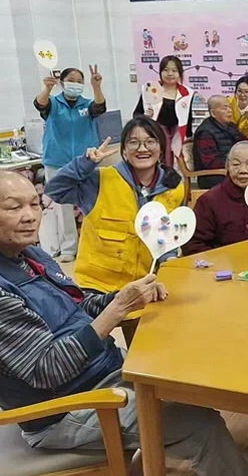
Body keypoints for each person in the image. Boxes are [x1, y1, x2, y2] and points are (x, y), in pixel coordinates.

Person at [0, 171, 248, 476]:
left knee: (183, 377)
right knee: (200, 425)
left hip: (97, 376)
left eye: (35, 204)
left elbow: (76, 304)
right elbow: (47, 370)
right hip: (64, 409)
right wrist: (116, 309)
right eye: (14, 207)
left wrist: (124, 297)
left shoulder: (26, 253)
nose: (29, 216)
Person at [46, 117, 184, 343]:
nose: (142, 149)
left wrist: (168, 264)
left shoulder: (173, 186)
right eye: (134, 142)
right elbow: (54, 190)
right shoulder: (100, 179)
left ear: (161, 148)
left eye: (150, 141)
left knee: (149, 348)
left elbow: (166, 234)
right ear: (124, 150)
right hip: (95, 287)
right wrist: (84, 164)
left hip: (142, 285)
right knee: (91, 350)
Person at [34, 65, 106, 262]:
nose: (76, 84)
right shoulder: (53, 103)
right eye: (71, 80)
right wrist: (47, 88)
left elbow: (100, 108)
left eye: (79, 81)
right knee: (63, 206)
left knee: (93, 202)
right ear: (62, 82)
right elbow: (40, 105)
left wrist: (96, 86)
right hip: (57, 161)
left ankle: (97, 243)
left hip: (86, 161)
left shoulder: (87, 104)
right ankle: (68, 248)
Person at [193, 95, 248, 189]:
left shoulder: (230, 126)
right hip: (213, 175)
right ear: (213, 113)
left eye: (230, 107)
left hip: (232, 169)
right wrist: (236, 163)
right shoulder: (205, 133)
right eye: (225, 108)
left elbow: (243, 142)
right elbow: (211, 162)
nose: (229, 111)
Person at [133, 55, 195, 166]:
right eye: (166, 70)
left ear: (180, 73)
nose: (170, 74)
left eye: (174, 71)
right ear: (160, 72)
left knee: (178, 161)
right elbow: (136, 114)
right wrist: (145, 116)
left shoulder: (187, 93)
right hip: (156, 132)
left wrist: (189, 136)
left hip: (177, 133)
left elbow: (188, 117)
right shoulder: (150, 89)